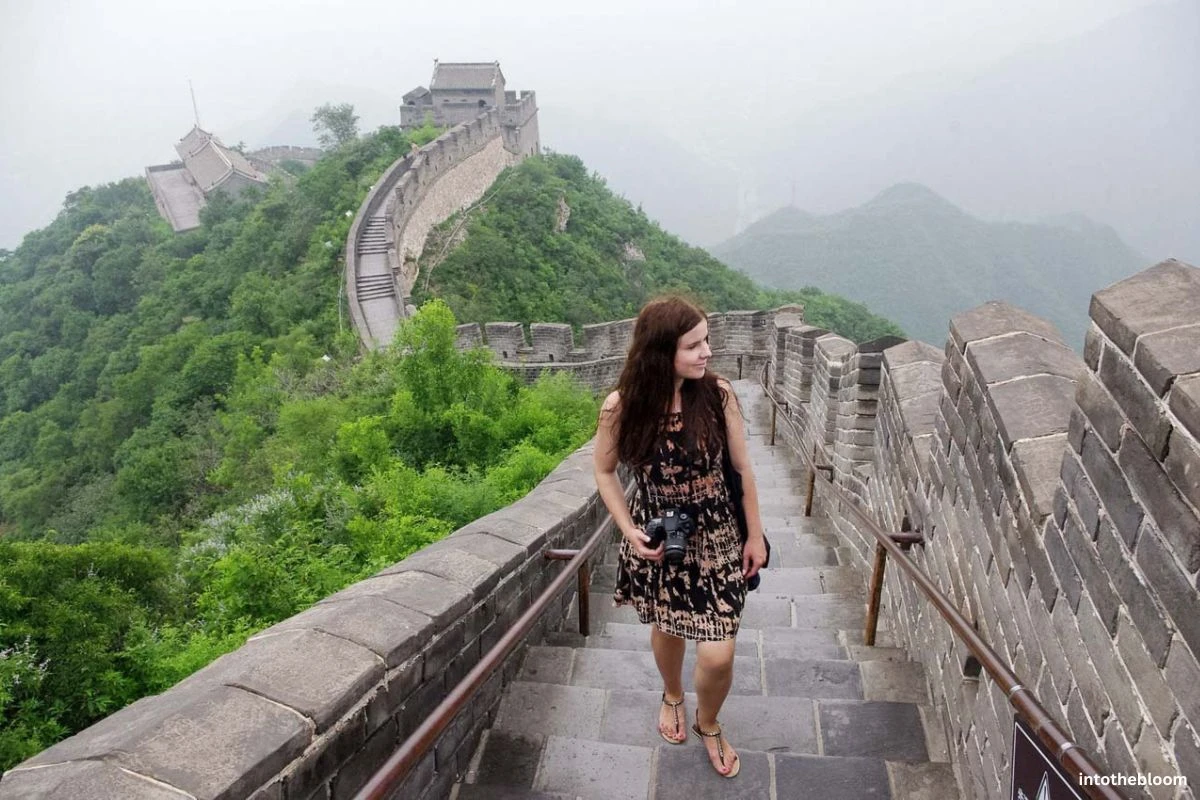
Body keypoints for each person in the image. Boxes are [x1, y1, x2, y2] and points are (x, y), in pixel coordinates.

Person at [593, 296, 769, 779]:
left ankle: (707, 721)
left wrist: (755, 536)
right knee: (668, 628)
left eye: (706, 341)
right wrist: (628, 530)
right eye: (693, 346)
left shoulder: (717, 395)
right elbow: (604, 472)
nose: (707, 352)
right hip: (659, 536)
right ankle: (672, 693)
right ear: (660, 351)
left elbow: (742, 469)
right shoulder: (622, 407)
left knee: (719, 651)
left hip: (717, 534)